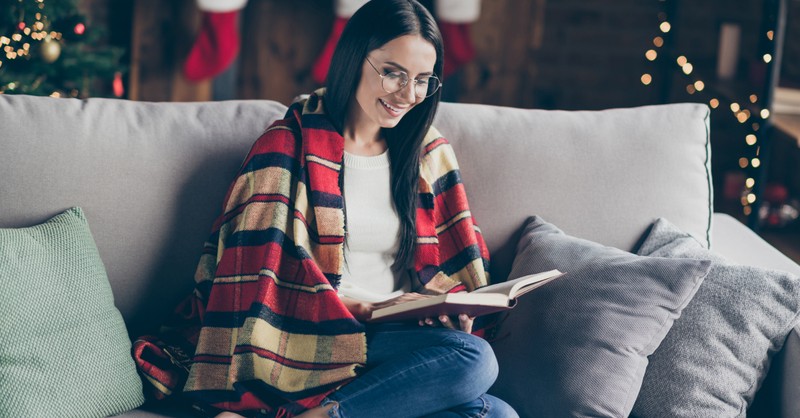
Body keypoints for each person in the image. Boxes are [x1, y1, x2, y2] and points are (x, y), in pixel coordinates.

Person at [133, 1, 518, 417]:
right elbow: (259, 273)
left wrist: (446, 308)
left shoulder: (427, 153)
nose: (408, 95)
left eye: (423, 80)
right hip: (317, 333)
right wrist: (349, 305)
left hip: (398, 332)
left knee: (496, 411)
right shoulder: (287, 145)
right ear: (354, 58)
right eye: (393, 73)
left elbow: (444, 265)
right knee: (474, 361)